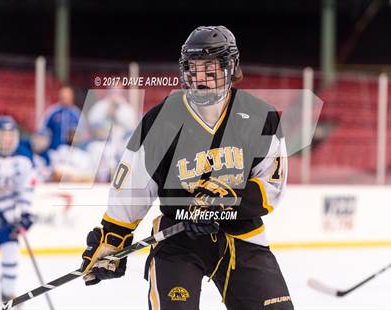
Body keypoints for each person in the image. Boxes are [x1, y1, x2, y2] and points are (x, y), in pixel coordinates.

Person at [79, 26, 293, 310]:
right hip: (179, 239)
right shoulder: (161, 120)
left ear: (231, 68)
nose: (200, 79)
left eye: (210, 69)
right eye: (193, 69)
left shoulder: (260, 117)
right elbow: (132, 188)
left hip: (241, 237)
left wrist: (225, 201)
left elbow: (271, 186)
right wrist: (113, 238)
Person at [0, 116, 36, 303]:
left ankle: (7, 294)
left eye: (10, 135)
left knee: (11, 249)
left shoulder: (24, 157)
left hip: (5, 211)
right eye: (2, 135)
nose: (6, 139)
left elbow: (25, 188)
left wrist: (25, 213)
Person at [42, 86, 87, 150]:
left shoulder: (77, 113)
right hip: (54, 150)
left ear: (72, 97)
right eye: (63, 96)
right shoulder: (52, 112)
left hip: (72, 151)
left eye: (67, 96)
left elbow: (83, 132)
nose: (65, 99)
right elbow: (43, 129)